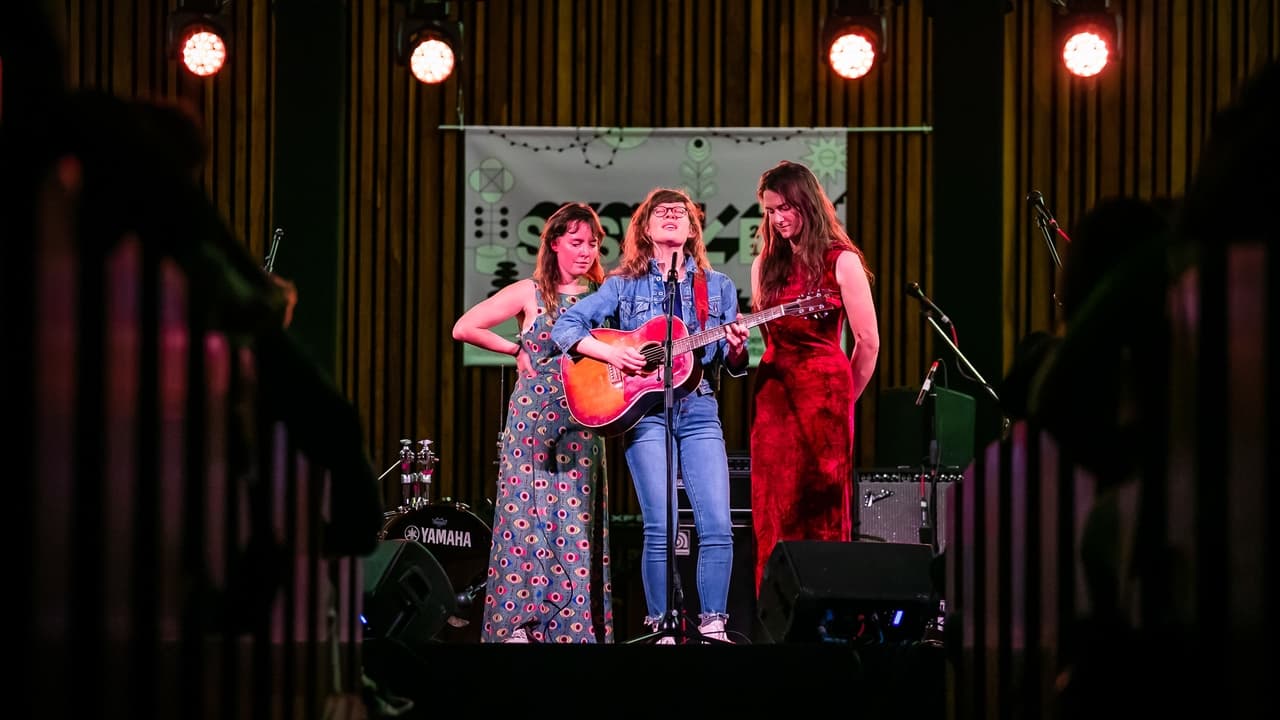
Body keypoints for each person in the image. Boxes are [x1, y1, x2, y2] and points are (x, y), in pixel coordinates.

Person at [551, 187, 749, 643]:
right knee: (662, 525)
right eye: (661, 211)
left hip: (698, 407)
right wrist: (613, 356)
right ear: (645, 226)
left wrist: (737, 348)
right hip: (645, 413)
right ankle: (661, 625)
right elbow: (567, 327)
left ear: (692, 229)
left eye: (680, 212)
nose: (672, 216)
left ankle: (713, 624)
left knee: (716, 523)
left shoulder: (714, 287)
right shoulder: (623, 284)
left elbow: (728, 363)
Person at [452, 201, 613, 644]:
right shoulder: (530, 291)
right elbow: (464, 327)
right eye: (577, 242)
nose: (586, 250)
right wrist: (515, 349)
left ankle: (571, 630)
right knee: (526, 518)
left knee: (574, 523)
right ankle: (520, 625)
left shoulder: (605, 293)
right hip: (532, 420)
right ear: (555, 243)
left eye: (593, 243)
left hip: (583, 420)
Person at [749, 160, 879, 591]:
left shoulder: (841, 261)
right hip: (772, 400)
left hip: (824, 397)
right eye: (770, 210)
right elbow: (764, 338)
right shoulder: (763, 266)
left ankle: (825, 617)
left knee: (820, 507)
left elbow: (868, 343)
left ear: (808, 203)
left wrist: (843, 400)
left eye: (786, 207)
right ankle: (775, 616)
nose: (778, 218)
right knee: (773, 508)